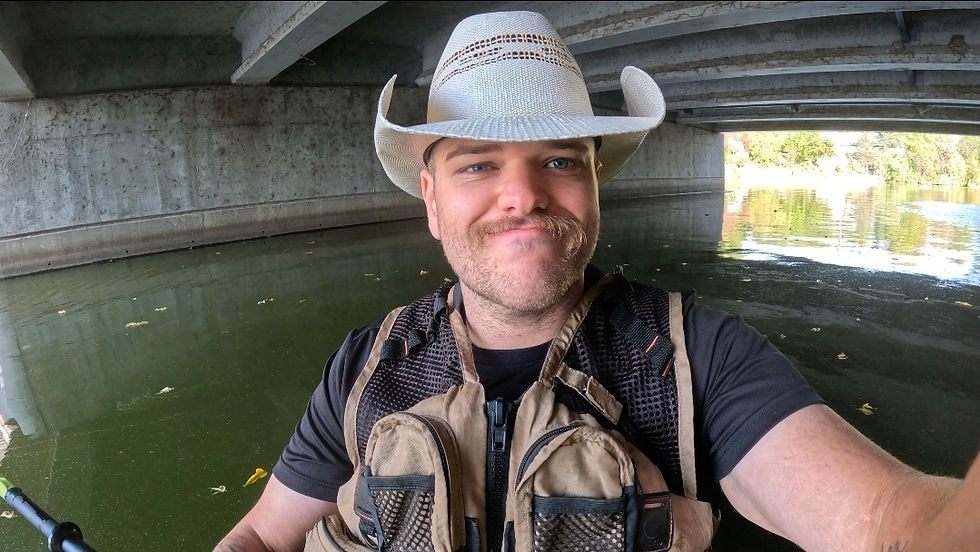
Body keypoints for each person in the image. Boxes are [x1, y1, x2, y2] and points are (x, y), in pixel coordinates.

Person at [215, 10, 972, 552]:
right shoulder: (365, 366)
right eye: (478, 164)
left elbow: (887, 524)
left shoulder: (697, 360)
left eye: (559, 159)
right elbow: (258, 534)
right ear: (432, 199)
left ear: (595, 184)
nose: (524, 195)